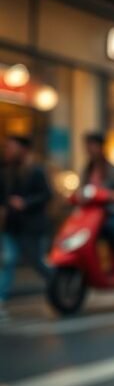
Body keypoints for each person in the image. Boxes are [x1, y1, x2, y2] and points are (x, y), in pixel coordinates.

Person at [0, 136, 52, 320]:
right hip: (11, 226)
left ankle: (59, 283)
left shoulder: (36, 170)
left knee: (36, 262)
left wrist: (25, 203)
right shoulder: (6, 171)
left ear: (22, 149)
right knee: (8, 260)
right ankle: (1, 299)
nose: (7, 151)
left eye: (11, 147)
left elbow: (46, 194)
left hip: (30, 226)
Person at [81, 132, 114, 270]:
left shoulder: (111, 169)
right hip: (92, 215)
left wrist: (110, 196)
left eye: (93, 145)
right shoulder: (87, 170)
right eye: (88, 146)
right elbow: (81, 192)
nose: (90, 149)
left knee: (110, 228)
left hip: (113, 213)